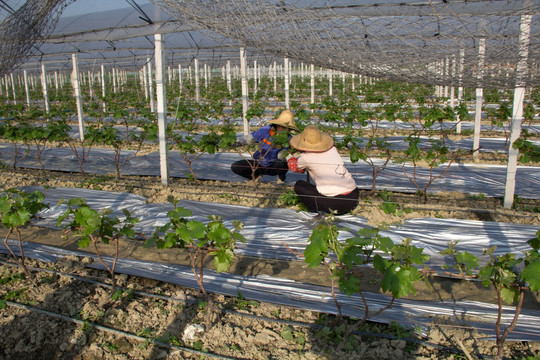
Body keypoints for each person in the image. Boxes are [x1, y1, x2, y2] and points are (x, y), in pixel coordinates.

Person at [287, 125, 359, 215]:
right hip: (354, 196)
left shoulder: (305, 157)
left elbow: (295, 168)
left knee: (299, 185)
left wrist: (288, 156)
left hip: (336, 205)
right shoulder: (332, 149)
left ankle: (316, 210)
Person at [231, 110, 298, 182]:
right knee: (236, 166)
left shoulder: (288, 138)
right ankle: (255, 176)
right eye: (283, 127)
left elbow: (286, 152)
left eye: (288, 128)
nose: (286, 130)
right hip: (258, 163)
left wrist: (284, 154)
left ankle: (281, 178)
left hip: (273, 166)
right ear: (277, 125)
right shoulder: (265, 130)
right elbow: (250, 138)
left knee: (283, 163)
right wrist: (235, 143)